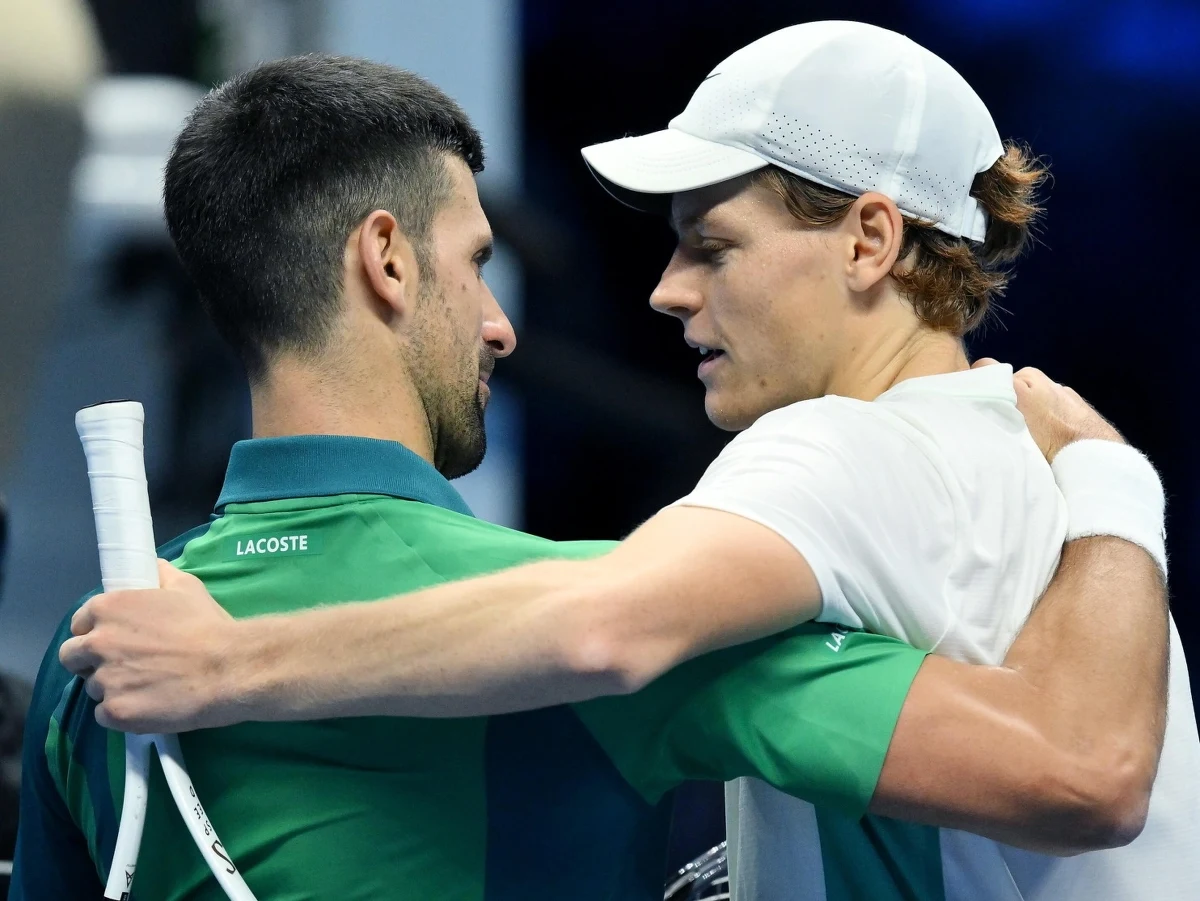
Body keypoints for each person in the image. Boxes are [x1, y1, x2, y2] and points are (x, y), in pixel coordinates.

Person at [45, 45, 1168, 899]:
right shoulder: (1024, 473)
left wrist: (228, 660)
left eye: (711, 244)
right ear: (384, 260)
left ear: (872, 241)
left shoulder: (102, 648)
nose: (503, 325)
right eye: (478, 264)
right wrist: (1119, 485)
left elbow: (605, 625)